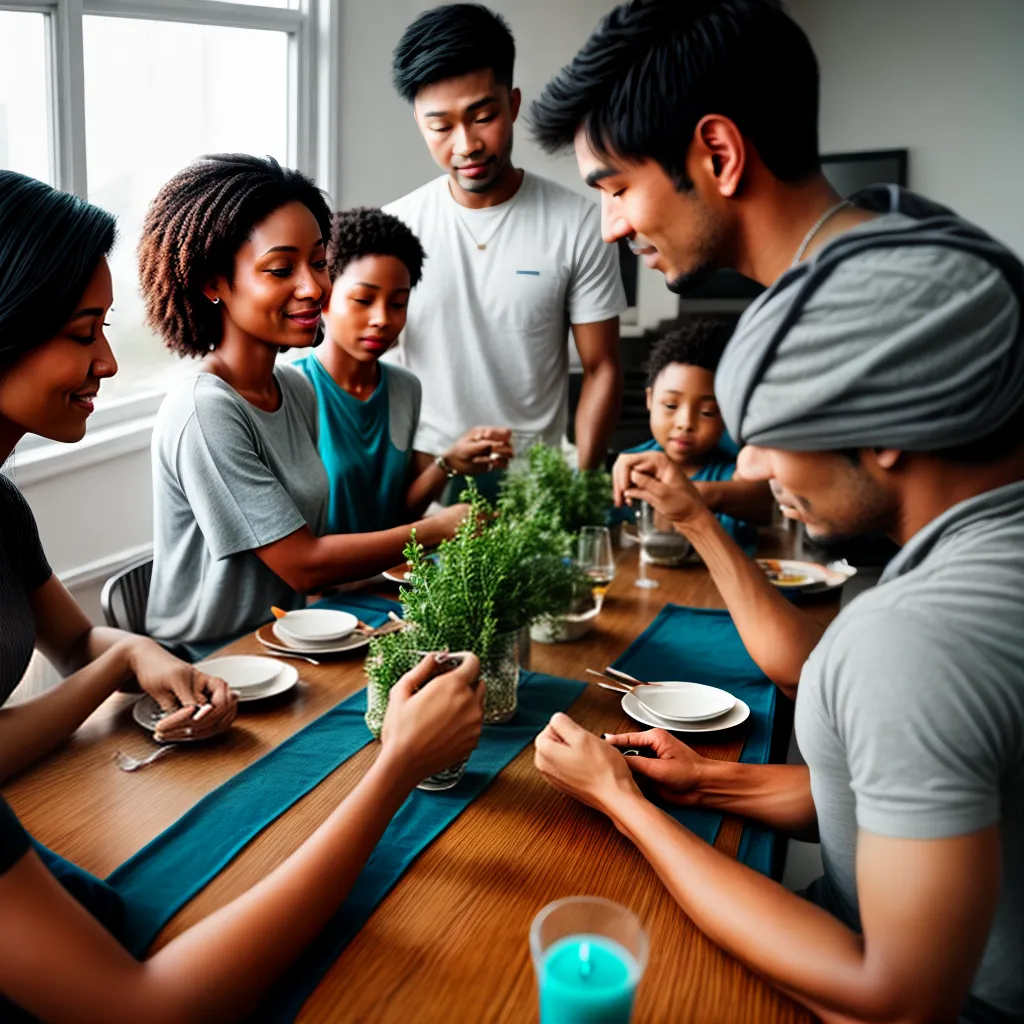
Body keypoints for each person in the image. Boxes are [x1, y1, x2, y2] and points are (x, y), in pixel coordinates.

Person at [530, 2, 1024, 1021]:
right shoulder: (928, 261)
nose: (749, 463)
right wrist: (709, 785)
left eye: (616, 186)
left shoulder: (911, 631)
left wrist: (622, 804)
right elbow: (922, 775)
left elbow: (892, 995)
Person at [140, 156, 471, 648]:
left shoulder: (293, 390)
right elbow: (302, 564)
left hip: (288, 644)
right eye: (280, 268)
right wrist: (439, 528)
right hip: (206, 663)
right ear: (213, 283)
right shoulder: (205, 410)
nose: (314, 287)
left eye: (318, 262)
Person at [0, 170, 237, 773]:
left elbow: (76, 642)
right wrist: (116, 667)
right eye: (83, 334)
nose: (106, 362)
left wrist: (138, 651)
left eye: (103, 330)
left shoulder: (1, 505)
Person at [384, 3, 626, 492]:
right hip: (424, 479)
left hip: (535, 483)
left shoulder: (579, 223)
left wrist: (577, 487)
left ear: (512, 104)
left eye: (483, 116)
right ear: (419, 122)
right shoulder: (394, 229)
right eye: (441, 126)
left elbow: (603, 368)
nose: (467, 144)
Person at [295, 206, 513, 534]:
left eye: (398, 304)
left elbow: (394, 517)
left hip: (391, 582)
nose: (383, 319)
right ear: (324, 298)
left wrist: (448, 463)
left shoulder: (404, 388)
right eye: (363, 300)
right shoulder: (291, 389)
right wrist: (437, 528)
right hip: (323, 585)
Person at [626, 317, 771, 548]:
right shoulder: (629, 467)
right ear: (650, 399)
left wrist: (696, 494)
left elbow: (767, 503)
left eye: (707, 412)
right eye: (671, 406)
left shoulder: (735, 472)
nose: (685, 424)